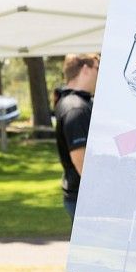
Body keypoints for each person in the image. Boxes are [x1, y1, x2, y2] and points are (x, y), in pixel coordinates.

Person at [54, 53, 99, 219]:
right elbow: (81, 160)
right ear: (86, 69)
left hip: (81, 196)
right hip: (86, 198)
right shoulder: (75, 108)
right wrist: (102, 194)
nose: (100, 74)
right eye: (98, 68)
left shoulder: (76, 102)